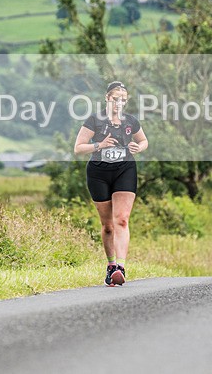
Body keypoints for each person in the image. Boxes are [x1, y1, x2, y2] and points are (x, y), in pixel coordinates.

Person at [74, 81, 148, 286]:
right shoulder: (94, 120)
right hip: (99, 173)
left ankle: (120, 268)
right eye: (116, 99)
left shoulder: (131, 121)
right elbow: (78, 148)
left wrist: (139, 147)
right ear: (107, 98)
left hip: (125, 169)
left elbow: (144, 141)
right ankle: (110, 265)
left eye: (123, 100)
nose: (119, 103)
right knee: (107, 226)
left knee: (122, 220)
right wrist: (99, 145)